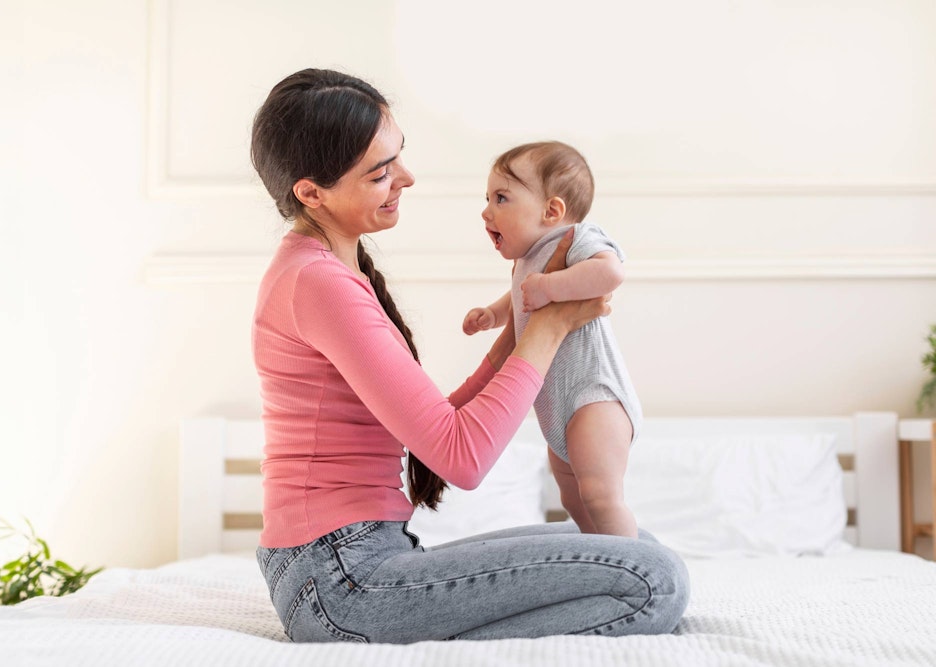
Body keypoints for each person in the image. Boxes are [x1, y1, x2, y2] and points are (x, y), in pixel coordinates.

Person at [250, 68, 688, 644]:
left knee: (628, 549)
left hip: (346, 564)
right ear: (311, 193)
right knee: (654, 582)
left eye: (399, 156)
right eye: (381, 173)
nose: (406, 177)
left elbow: (433, 431)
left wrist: (512, 342)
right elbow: (463, 457)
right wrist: (549, 327)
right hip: (338, 581)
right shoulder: (319, 283)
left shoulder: (322, 271)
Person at [463, 141, 641, 539]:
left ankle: (634, 564)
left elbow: (611, 273)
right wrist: (495, 314)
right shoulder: (527, 260)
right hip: (556, 412)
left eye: (501, 198)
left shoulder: (577, 237)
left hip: (594, 398)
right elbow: (521, 297)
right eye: (487, 198)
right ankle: (600, 558)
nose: (486, 210)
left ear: (552, 211)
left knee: (600, 494)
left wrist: (551, 286)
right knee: (573, 498)